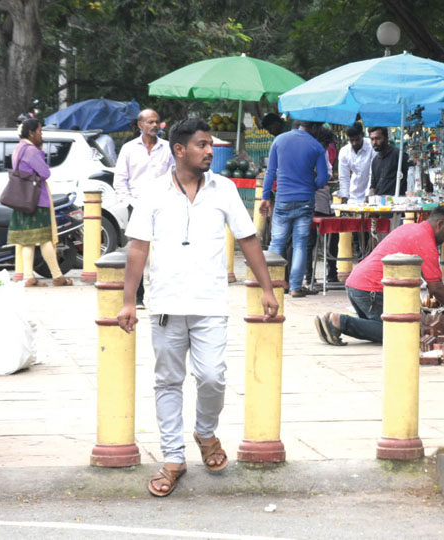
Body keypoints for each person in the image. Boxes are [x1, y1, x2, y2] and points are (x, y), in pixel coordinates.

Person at [117, 116, 278, 498]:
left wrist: (267, 289)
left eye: (210, 145)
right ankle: (173, 458)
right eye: (202, 145)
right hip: (165, 304)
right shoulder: (153, 193)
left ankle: (205, 432)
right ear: (179, 150)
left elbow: (249, 239)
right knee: (168, 382)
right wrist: (128, 301)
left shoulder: (223, 189)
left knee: (212, 377)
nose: (210, 151)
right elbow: (138, 247)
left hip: (210, 303)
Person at [314, 206, 444, 345]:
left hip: (358, 285)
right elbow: (436, 287)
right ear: (439, 224)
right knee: (403, 332)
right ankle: (339, 321)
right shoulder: (425, 240)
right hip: (371, 290)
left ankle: (331, 320)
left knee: (383, 326)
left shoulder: (411, 229)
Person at [259, 121, 330, 297]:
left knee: (277, 241)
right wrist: (311, 185)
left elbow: (270, 172)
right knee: (300, 244)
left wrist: (265, 197)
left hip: (283, 198)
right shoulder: (316, 146)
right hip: (305, 200)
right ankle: (296, 287)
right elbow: (323, 177)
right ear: (313, 128)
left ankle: (273, 284)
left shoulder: (279, 140)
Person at [114, 109, 175, 307]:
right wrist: (128, 202)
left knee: (165, 251)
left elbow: (175, 175)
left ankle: (163, 294)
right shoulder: (129, 149)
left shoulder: (167, 148)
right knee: (138, 252)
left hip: (164, 206)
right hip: (137, 205)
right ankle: (137, 297)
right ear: (141, 125)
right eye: (150, 122)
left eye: (157, 122)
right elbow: (120, 180)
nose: (154, 126)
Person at [7, 119, 72, 287]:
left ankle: (29, 276)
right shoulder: (31, 151)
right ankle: (57, 276)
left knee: (28, 240)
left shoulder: (18, 148)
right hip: (37, 199)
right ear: (31, 133)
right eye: (39, 132)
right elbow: (45, 173)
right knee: (45, 239)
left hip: (22, 199)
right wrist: (40, 152)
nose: (41, 135)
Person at [305, 127, 338, 288]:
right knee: (309, 239)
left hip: (323, 197)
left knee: (332, 236)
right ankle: (308, 275)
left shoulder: (322, 152)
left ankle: (332, 272)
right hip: (310, 197)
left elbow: (327, 174)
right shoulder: (309, 151)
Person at [368, 126, 409, 197]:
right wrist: (370, 196)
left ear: (386, 138)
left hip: (398, 202)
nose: (374, 142)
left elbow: (411, 176)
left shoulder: (398, 155)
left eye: (378, 138)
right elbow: (373, 185)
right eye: (372, 139)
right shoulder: (375, 161)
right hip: (380, 203)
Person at [338, 123, 373, 203]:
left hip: (370, 194)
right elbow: (344, 177)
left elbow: (373, 174)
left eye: (357, 140)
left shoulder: (371, 146)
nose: (354, 143)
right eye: (351, 140)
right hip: (353, 196)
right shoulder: (344, 151)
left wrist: (368, 196)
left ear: (362, 135)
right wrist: (345, 197)